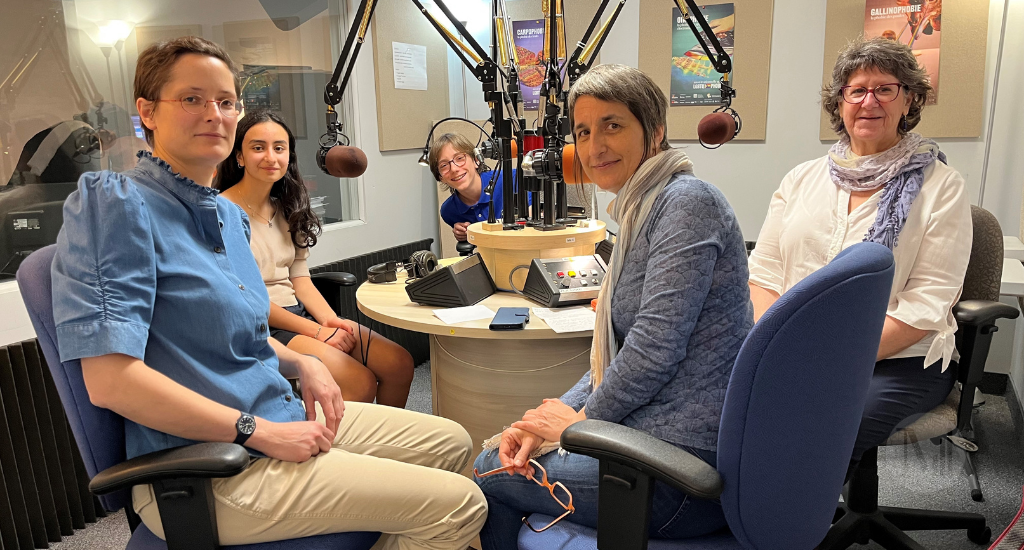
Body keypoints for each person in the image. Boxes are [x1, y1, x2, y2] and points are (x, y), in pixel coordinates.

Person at [51, 36, 485, 549]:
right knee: (460, 505)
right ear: (147, 111)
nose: (214, 113)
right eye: (192, 99)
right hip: (208, 468)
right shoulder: (116, 206)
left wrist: (305, 365)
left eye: (226, 101)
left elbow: (245, 336)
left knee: (453, 443)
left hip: (276, 413)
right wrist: (256, 430)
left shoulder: (226, 218)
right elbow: (111, 383)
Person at [471, 64, 753, 549]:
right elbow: (621, 354)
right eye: (583, 131)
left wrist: (578, 426)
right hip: (652, 441)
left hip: (680, 471)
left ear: (656, 130)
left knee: (488, 472)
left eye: (613, 125)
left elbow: (653, 351)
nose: (594, 145)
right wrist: (551, 417)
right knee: (512, 446)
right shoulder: (644, 207)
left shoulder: (687, 204)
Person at [748, 37, 972, 474]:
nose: (869, 101)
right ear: (840, 102)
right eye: (857, 90)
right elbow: (765, 274)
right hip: (793, 347)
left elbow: (927, 303)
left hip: (897, 362)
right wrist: (774, 346)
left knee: (821, 424)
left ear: (908, 100)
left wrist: (831, 356)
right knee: (730, 404)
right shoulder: (800, 179)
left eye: (885, 89)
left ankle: (785, 520)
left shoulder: (942, 186)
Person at [216, 110, 414, 407]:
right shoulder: (222, 211)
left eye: (279, 148)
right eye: (258, 147)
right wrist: (319, 332)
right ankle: (343, 450)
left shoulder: (285, 207)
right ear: (240, 156)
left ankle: (384, 445)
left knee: (399, 363)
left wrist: (330, 321)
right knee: (358, 382)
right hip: (260, 327)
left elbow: (301, 279)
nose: (270, 157)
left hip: (299, 315)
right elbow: (248, 301)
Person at [430, 133, 515, 241]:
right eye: (444, 165)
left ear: (476, 160)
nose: (454, 169)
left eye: (460, 158)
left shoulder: (512, 180)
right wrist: (464, 235)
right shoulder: (449, 211)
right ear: (441, 178)